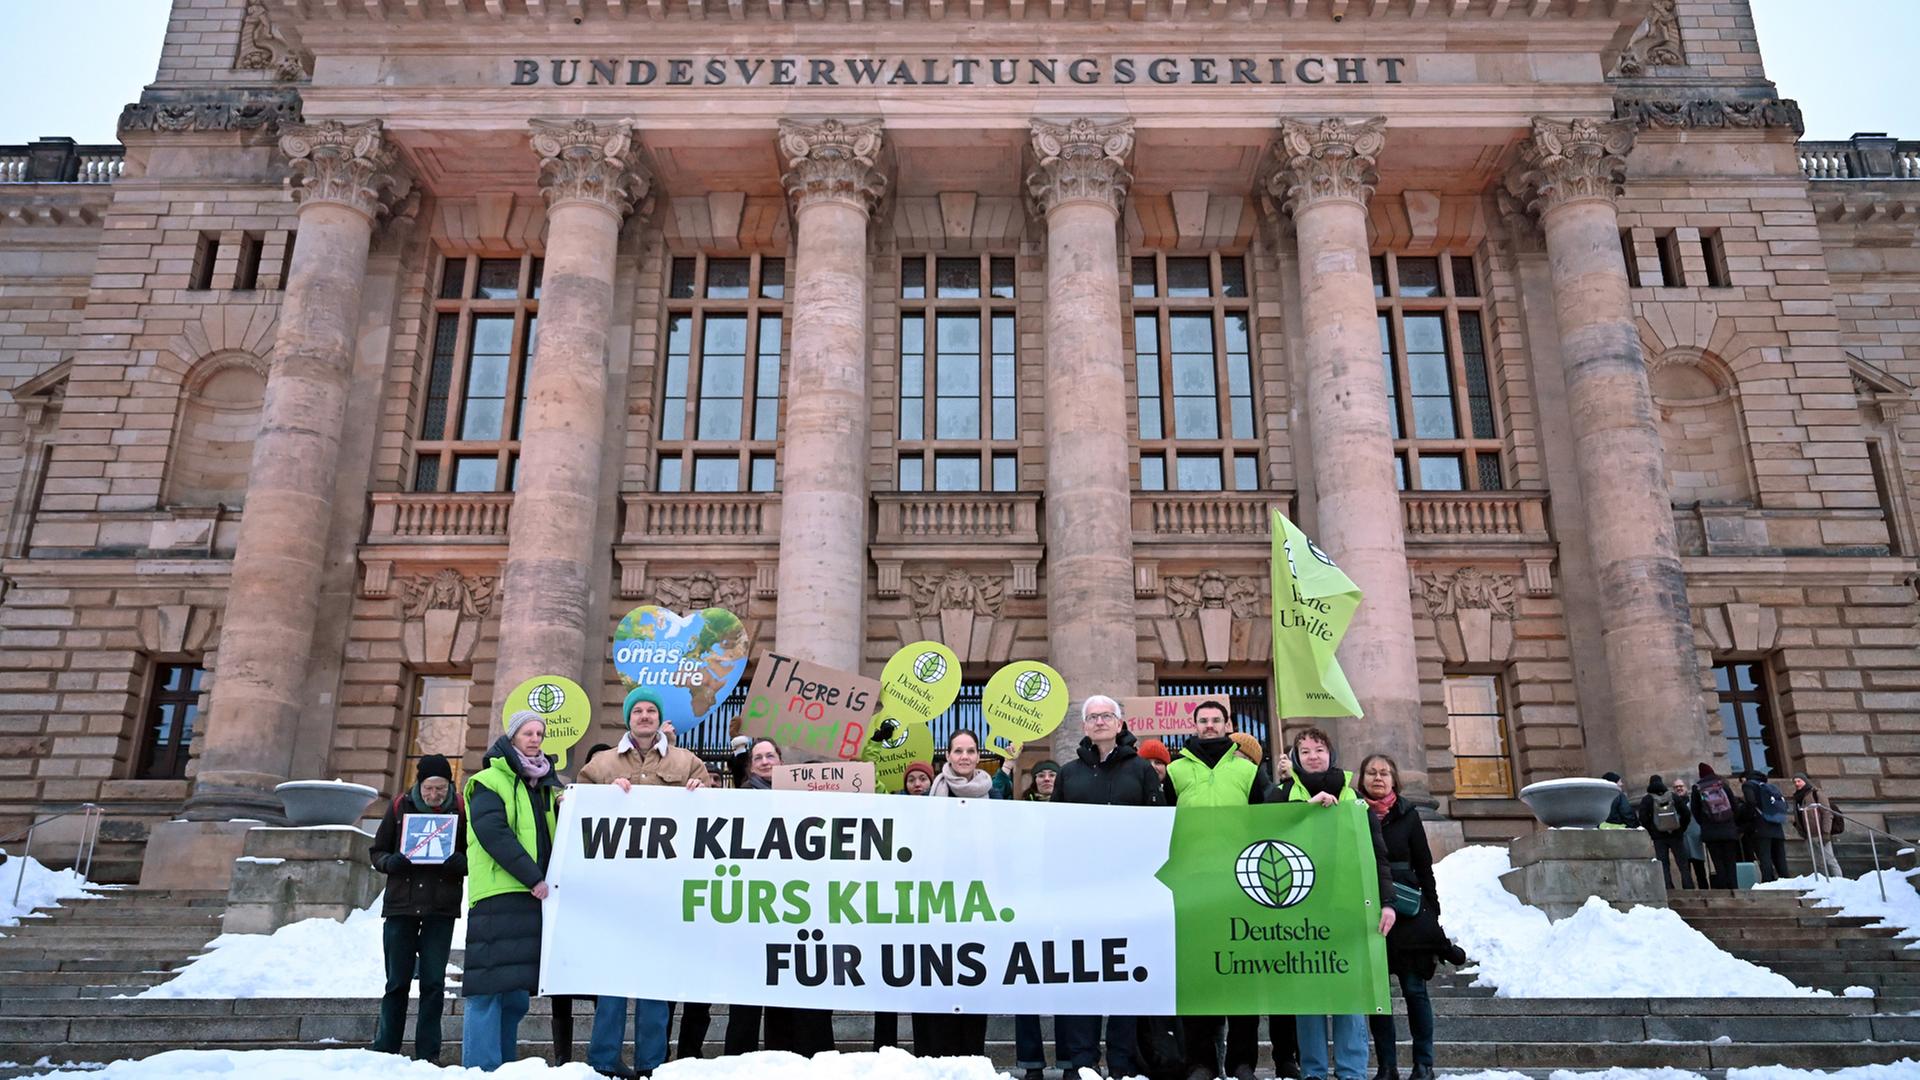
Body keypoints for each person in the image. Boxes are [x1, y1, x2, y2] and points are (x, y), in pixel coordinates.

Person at [578, 687, 709, 1078]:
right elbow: (573, 807)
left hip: (665, 890)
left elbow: (716, 813)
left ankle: (652, 1062)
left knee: (656, 977)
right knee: (612, 977)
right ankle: (604, 1058)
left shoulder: (687, 762)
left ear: (659, 717)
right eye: (639, 711)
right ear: (628, 718)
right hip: (615, 890)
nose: (646, 716)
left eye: (652, 710)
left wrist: (703, 792)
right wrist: (601, 797)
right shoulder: (601, 764)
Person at [1164, 701, 1278, 1080]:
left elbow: (1272, 819)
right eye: (1204, 721)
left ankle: (1242, 1061)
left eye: (1216, 720)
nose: (1210, 726)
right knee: (1198, 975)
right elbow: (1158, 826)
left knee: (1242, 973)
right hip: (1192, 886)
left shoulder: (1248, 770)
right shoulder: (1176, 771)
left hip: (1240, 886)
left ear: (1228, 725)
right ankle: (1201, 1061)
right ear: (1194, 725)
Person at [1051, 697, 1161, 1078]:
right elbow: (1054, 832)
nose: (1099, 722)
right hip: (1081, 895)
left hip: (1130, 894)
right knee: (1083, 977)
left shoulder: (1142, 770)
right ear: (1084, 726)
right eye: (1092, 717)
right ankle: (1082, 1062)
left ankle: (1121, 1062)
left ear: (1120, 723)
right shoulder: (1068, 774)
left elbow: (1158, 828)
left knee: (1123, 979)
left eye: (1106, 716)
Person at [1286, 726, 1395, 1080]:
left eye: (1318, 749)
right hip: (1299, 913)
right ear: (1296, 758)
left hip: (1349, 909)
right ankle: (1314, 1072)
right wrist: (1304, 810)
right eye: (1304, 751)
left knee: (1350, 994)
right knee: (1307, 998)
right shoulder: (1279, 795)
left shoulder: (1355, 801)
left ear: (1330, 754)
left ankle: (1351, 1072)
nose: (1312, 756)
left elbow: (1379, 857)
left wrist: (1388, 903)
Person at [721, 739, 835, 1058]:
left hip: (801, 906)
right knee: (747, 997)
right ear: (750, 764)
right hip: (756, 909)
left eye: (771, 755)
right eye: (758, 757)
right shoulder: (741, 798)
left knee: (797, 988)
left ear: (782, 761)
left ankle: (796, 1057)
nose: (765, 761)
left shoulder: (807, 795)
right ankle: (739, 1063)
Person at [461, 711, 561, 1072]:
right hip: (498, 894)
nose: (535, 739)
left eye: (540, 733)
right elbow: (494, 834)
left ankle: (502, 1069)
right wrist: (532, 876)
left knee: (515, 994)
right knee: (487, 991)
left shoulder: (546, 787)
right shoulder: (488, 781)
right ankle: (480, 1069)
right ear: (512, 737)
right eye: (527, 733)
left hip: (531, 897)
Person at [368, 754, 465, 1063]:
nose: (434, 795)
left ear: (449, 785)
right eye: (428, 788)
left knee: (433, 984)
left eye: (439, 788)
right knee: (396, 982)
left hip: (440, 908)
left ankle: (428, 1054)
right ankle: (386, 1049)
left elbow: (473, 852)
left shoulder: (462, 809)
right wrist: (389, 862)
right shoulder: (399, 807)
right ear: (418, 785)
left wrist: (459, 863)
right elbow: (377, 850)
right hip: (401, 907)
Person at [1360, 754, 1447, 1080]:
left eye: (1384, 773)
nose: (1378, 778)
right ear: (1363, 779)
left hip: (1409, 913)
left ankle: (1424, 1063)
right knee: (1378, 996)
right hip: (1371, 911)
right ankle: (1387, 1066)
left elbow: (1424, 866)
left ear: (1394, 779)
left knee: (1414, 990)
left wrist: (1433, 914)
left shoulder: (1408, 815)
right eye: (1371, 772)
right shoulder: (1355, 813)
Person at [912, 729, 994, 1059]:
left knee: (974, 979)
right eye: (957, 750)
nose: (964, 756)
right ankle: (934, 1056)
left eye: (970, 751)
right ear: (947, 756)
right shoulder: (932, 795)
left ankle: (970, 1057)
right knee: (934, 978)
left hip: (977, 906)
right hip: (935, 904)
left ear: (978, 756)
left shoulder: (994, 796)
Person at [551, 743, 614, 1065]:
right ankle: (563, 1056)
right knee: (561, 986)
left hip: (604, 908)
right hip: (571, 903)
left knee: (600, 984)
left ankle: (600, 1050)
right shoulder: (567, 804)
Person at [1690, 763, 1744, 889]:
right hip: (1728, 829)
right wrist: (1731, 821)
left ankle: (1724, 889)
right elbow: (1735, 806)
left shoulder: (1697, 788)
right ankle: (1734, 888)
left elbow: (1695, 810)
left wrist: (1704, 823)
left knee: (1718, 862)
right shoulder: (1723, 784)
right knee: (1731, 861)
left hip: (1710, 832)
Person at [1638, 775, 1694, 890]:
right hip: (1676, 834)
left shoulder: (1647, 799)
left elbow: (1643, 818)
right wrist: (1680, 828)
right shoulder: (1672, 796)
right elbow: (1686, 814)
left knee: (1663, 864)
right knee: (1683, 864)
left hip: (1658, 837)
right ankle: (1689, 887)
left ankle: (1669, 889)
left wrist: (1652, 831)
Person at [1743, 769, 1792, 882]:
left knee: (1765, 858)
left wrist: (1748, 816)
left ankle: (1768, 883)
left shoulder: (1748, 785)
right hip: (1777, 826)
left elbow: (1750, 802)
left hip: (1761, 827)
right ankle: (1787, 882)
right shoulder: (1768, 786)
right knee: (1780, 859)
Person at [1791, 773, 1840, 876]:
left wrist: (1826, 832)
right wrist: (1800, 830)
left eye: (1799, 781)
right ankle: (1823, 882)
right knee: (1818, 863)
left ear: (1805, 781)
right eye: (1795, 782)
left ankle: (1839, 881)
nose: (1797, 783)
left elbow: (1827, 813)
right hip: (1808, 834)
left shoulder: (1816, 793)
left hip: (1820, 832)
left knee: (1830, 860)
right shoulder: (1797, 798)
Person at [1670, 776, 1709, 890]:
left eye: (1681, 786)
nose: (1679, 788)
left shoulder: (1693, 801)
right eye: (1676, 787)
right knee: (1685, 870)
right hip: (1681, 838)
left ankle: (1704, 890)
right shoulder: (1672, 803)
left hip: (1695, 837)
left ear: (1686, 787)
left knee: (1700, 869)